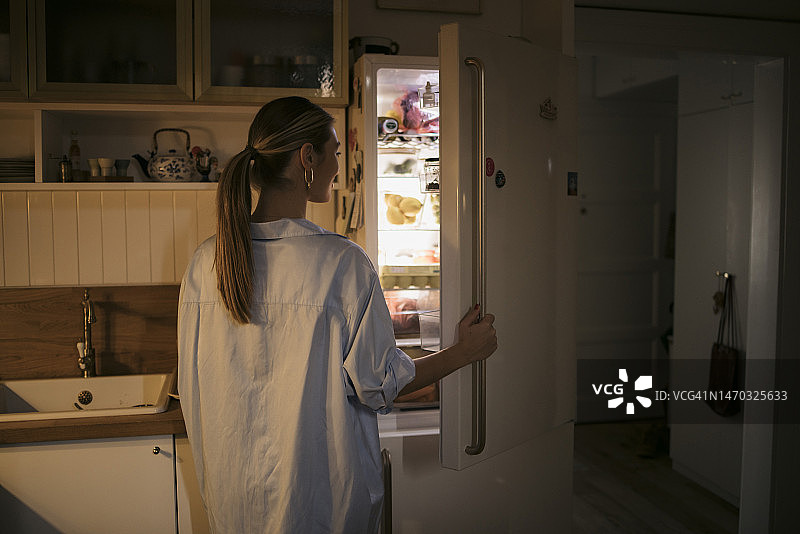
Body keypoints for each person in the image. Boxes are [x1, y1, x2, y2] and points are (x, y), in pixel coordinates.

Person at [177, 96, 497, 533]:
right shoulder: (342, 263)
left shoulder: (204, 263)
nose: (338, 167)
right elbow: (380, 386)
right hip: (322, 509)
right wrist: (465, 352)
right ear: (307, 158)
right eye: (335, 153)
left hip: (235, 510)